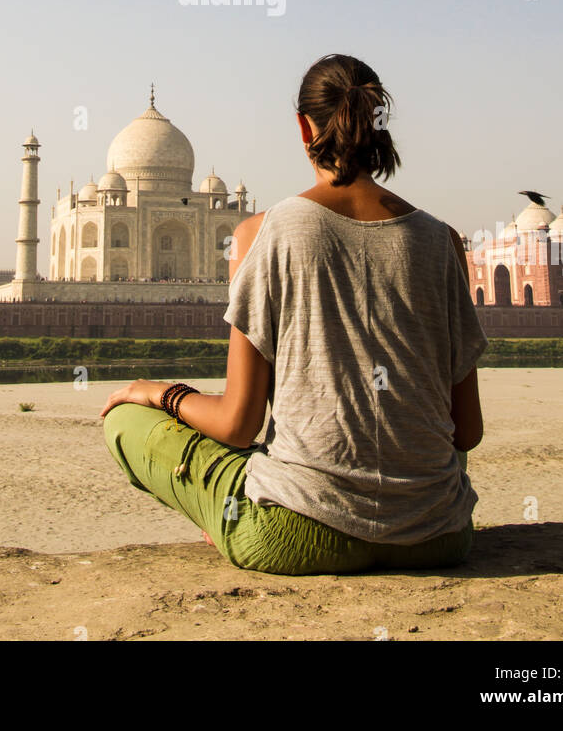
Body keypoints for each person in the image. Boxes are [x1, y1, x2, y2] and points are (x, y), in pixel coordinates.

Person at [100, 53, 487, 575]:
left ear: (304, 126)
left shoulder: (258, 233)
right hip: (438, 536)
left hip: (296, 534)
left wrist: (157, 391)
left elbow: (238, 426)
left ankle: (229, 518)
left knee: (125, 420)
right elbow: (466, 432)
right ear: (378, 122)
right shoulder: (444, 242)